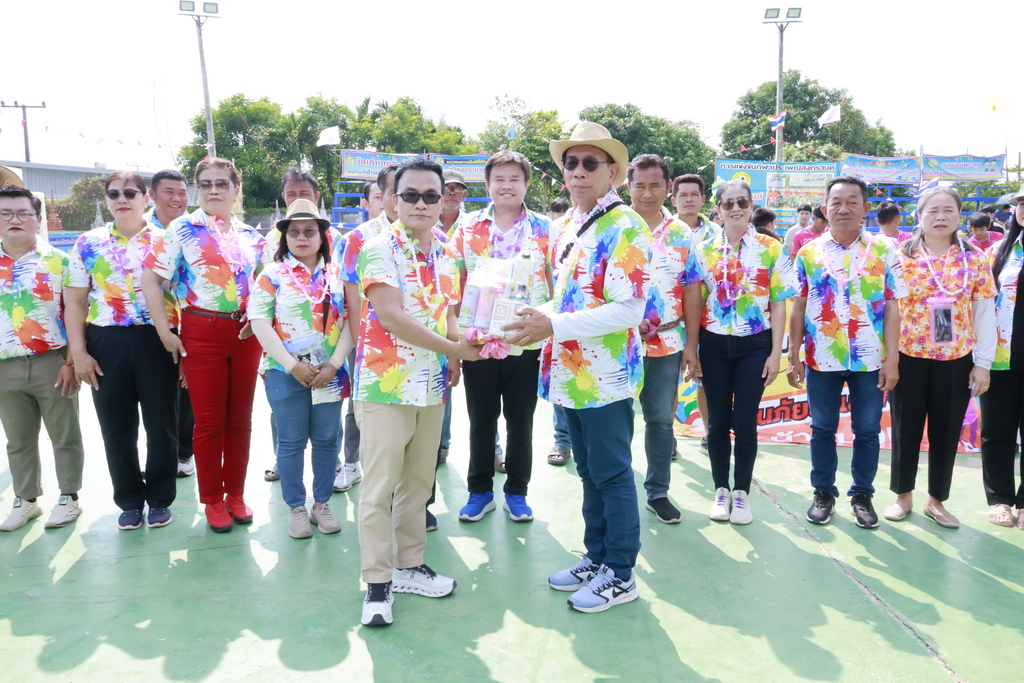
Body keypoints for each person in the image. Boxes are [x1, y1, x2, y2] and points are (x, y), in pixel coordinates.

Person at [505, 122, 651, 613]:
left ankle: (622, 573)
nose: (579, 171)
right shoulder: (568, 224)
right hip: (569, 373)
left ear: (613, 172)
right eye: (571, 163)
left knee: (611, 473)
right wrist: (533, 315)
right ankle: (597, 557)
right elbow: (568, 299)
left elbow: (629, 310)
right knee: (588, 471)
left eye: (591, 163)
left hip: (605, 376)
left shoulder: (626, 225)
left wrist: (552, 323)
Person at [354, 158, 482, 627]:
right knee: (378, 488)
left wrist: (468, 343)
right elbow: (392, 317)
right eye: (411, 194)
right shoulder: (377, 248)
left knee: (418, 483)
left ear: (443, 199)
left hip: (431, 385)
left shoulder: (446, 250)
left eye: (431, 195)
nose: (422, 204)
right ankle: (377, 583)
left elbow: (448, 312)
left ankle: (409, 565)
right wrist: (455, 348)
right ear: (393, 199)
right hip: (385, 386)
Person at [142, 157, 266, 534]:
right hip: (202, 330)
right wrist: (165, 332)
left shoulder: (251, 235)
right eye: (206, 183)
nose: (214, 190)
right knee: (209, 421)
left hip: (245, 335)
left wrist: (260, 319)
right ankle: (212, 498)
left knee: (240, 419)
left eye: (222, 183)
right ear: (198, 190)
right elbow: (150, 279)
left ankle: (236, 494)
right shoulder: (181, 229)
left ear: (235, 190)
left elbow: (263, 283)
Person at [788, 176, 907, 529]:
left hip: (870, 360)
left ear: (866, 208)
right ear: (825, 209)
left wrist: (892, 359)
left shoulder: (886, 250)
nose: (844, 208)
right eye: (836, 202)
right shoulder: (808, 252)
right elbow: (798, 306)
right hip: (821, 357)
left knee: (867, 430)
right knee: (822, 428)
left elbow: (893, 307)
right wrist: (793, 355)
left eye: (852, 201)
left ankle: (862, 495)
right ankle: (823, 493)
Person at [65, 171, 180, 530]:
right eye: (113, 194)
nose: (122, 199)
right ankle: (129, 500)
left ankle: (160, 498)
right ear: (106, 200)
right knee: (116, 426)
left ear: (146, 198)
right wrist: (78, 352)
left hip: (158, 339)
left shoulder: (168, 240)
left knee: (162, 422)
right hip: (106, 341)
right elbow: (75, 302)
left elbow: (184, 295)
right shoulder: (88, 243)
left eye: (130, 193)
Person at [884, 188, 996, 528]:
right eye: (932, 211)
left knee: (946, 431)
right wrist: (888, 357)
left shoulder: (975, 259)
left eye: (949, 210)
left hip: (956, 358)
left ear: (959, 216)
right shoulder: (900, 256)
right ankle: (903, 496)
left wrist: (983, 363)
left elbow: (984, 312)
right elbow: (887, 309)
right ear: (919, 216)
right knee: (905, 428)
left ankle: (937, 500)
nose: (941, 217)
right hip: (909, 355)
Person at [451, 151, 551, 523]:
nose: (506, 186)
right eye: (499, 179)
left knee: (521, 420)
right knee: (481, 420)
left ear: (527, 184)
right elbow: (456, 283)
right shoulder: (468, 227)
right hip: (479, 341)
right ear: (487, 184)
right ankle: (479, 492)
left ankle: (517, 493)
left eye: (514, 179)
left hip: (526, 339)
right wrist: (456, 344)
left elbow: (555, 283)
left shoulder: (545, 229)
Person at [692, 180, 798, 524]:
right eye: (728, 203)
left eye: (742, 202)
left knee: (745, 422)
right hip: (713, 344)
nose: (735, 208)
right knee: (718, 422)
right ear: (718, 209)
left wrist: (776, 353)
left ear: (751, 205)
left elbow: (779, 303)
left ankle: (741, 493)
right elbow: (695, 301)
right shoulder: (703, 250)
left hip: (755, 345)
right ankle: (721, 490)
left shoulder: (771, 248)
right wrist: (692, 347)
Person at [249, 199, 352, 539]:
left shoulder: (339, 275)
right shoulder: (272, 275)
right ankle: (296, 507)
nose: (302, 237)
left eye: (310, 231)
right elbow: (260, 322)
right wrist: (292, 365)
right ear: (285, 238)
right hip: (284, 373)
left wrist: (333, 365)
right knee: (291, 442)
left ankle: (321, 504)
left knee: (326, 440)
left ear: (323, 236)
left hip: (330, 373)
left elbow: (352, 322)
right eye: (294, 232)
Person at [0, 185, 85, 532]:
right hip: (5, 366)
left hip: (53, 362)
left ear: (37, 219)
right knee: (18, 439)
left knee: (64, 435)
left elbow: (77, 315)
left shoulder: (60, 262)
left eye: (23, 213)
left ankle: (69, 498)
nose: (15, 219)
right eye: (5, 214)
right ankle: (26, 501)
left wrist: (70, 362)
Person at [628, 154, 701, 524]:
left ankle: (657, 491)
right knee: (615, 418)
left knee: (659, 419)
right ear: (627, 187)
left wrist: (691, 345)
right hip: (616, 342)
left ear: (667, 188)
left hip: (667, 342)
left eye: (655, 185)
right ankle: (617, 489)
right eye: (639, 185)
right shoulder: (616, 226)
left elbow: (691, 290)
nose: (647, 193)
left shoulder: (681, 233)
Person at [261, 169, 345, 483]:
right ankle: (285, 467)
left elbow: (349, 311)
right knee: (287, 428)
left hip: (329, 357)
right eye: (291, 194)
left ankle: (330, 469)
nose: (302, 237)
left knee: (326, 430)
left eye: (304, 193)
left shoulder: (336, 249)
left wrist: (334, 362)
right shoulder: (271, 250)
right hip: (284, 359)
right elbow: (261, 303)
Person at [337, 165, 399, 496]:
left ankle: (411, 495)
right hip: (372, 344)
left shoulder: (432, 235)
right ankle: (351, 463)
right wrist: (363, 349)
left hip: (418, 347)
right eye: (394, 192)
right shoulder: (358, 239)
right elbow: (351, 300)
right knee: (362, 409)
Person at [144, 169, 196, 479]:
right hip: (150, 324)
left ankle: (183, 452)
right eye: (169, 192)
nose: (177, 198)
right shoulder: (142, 232)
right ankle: (159, 455)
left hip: (189, 322)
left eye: (182, 192)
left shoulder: (195, 229)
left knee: (187, 390)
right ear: (152, 195)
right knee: (155, 394)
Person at [980, 189, 1024, 528]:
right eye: (1022, 202)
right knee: (997, 430)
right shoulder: (998, 251)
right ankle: (1000, 498)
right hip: (1002, 357)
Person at [671, 173, 717, 455]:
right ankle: (666, 437)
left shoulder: (717, 233)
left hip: (708, 320)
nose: (688, 200)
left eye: (694, 195)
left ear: (703, 199)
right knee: (668, 383)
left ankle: (709, 433)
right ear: (673, 199)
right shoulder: (662, 231)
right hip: (669, 321)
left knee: (705, 379)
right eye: (683, 195)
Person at [440, 169, 468, 236]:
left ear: (464, 195)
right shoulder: (427, 223)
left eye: (457, 188)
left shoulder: (471, 224)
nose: (452, 192)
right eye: (446, 188)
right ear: (437, 192)